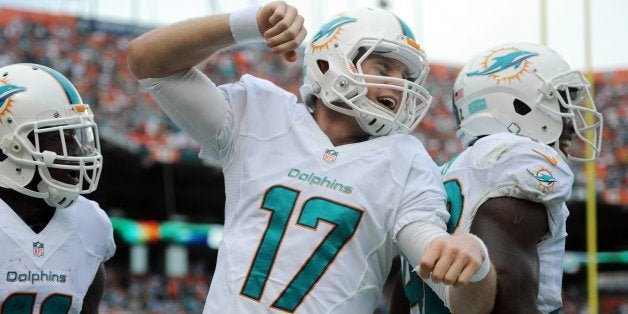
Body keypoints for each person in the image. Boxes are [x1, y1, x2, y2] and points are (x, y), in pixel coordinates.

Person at [127, 2, 490, 313]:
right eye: (382, 68)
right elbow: (148, 62)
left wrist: (472, 264)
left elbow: (459, 296)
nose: (398, 85)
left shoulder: (406, 161)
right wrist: (249, 23)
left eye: (405, 75)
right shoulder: (260, 111)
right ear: (329, 63)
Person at [391, 42, 603, 313]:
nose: (571, 124)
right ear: (518, 104)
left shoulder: (437, 178)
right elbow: (507, 296)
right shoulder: (517, 158)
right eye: (560, 102)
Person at [0, 63, 115, 313]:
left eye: (74, 135)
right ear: (6, 146)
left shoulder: (91, 223)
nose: (76, 150)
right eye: (57, 136)